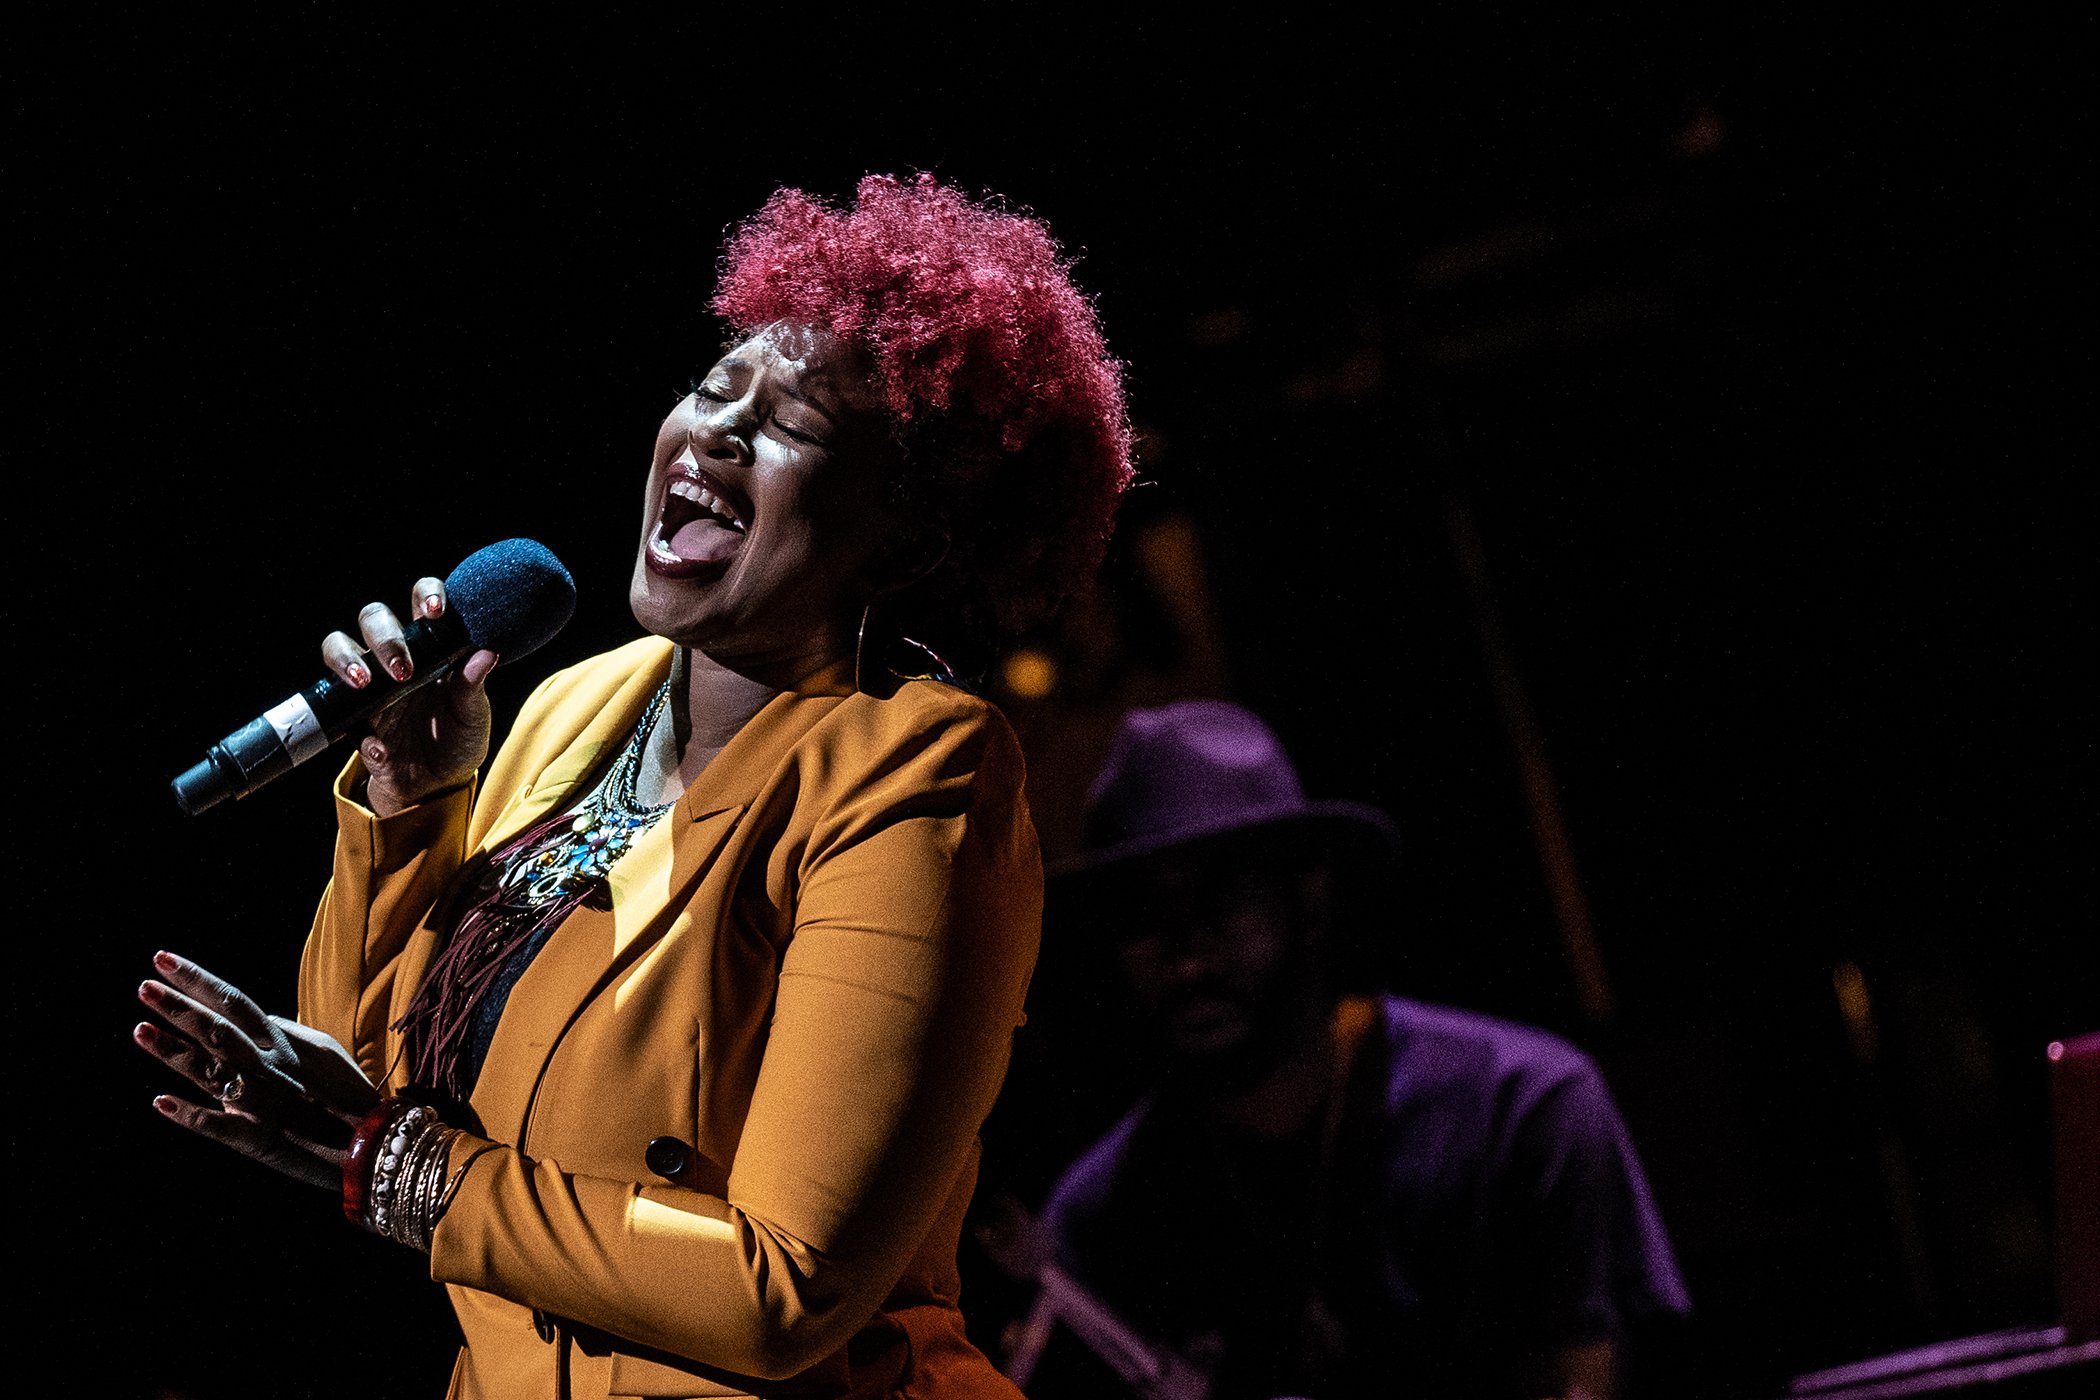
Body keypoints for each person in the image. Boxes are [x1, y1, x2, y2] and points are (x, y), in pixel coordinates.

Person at [130, 171, 1136, 1400]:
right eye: (714, 388)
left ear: (906, 540)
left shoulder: (916, 768)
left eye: (792, 424)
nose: (717, 433)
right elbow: (366, 1083)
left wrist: (396, 1168)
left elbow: (787, 1283)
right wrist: (408, 802)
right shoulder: (574, 707)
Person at [1006, 700, 1691, 1400]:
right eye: (1142, 914)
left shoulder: (1520, 1110)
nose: (1187, 956)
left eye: (1225, 895)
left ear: (1310, 896)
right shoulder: (1099, 1216)